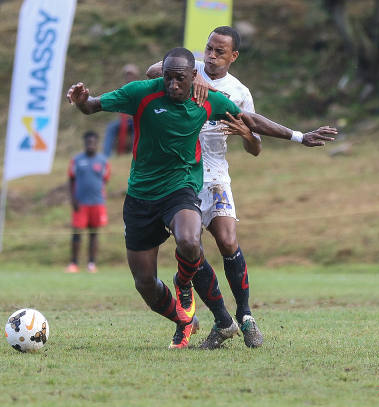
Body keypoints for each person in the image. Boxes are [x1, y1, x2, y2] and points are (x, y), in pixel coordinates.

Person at [66, 47, 336, 349]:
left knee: (191, 241)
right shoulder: (142, 93)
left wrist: (299, 136)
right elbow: (93, 105)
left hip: (181, 187)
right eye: (167, 78)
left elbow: (250, 119)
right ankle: (184, 320)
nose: (172, 85)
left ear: (194, 77)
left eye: (179, 79)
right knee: (144, 283)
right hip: (141, 195)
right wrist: (81, 100)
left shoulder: (207, 99)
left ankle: (187, 284)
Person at [147, 26, 264, 349]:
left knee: (228, 241)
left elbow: (256, 148)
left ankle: (245, 315)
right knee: (191, 248)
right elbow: (153, 70)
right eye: (209, 49)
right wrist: (195, 76)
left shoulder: (239, 92)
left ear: (233, 56)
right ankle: (222, 320)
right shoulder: (187, 73)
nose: (211, 56)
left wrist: (246, 134)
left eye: (219, 52)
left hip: (215, 177)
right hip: (182, 177)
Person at [66, 131, 110, 274]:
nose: (90, 144)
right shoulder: (76, 160)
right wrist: (73, 199)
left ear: (97, 143)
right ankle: (74, 263)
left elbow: (105, 180)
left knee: (94, 234)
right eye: (88, 142)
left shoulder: (103, 161)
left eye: (93, 142)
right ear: (84, 143)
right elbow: (71, 180)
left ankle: (91, 263)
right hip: (80, 203)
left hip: (97, 203)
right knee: (77, 234)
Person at [102, 64, 140, 157]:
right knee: (111, 127)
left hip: (136, 119)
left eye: (131, 75)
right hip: (123, 119)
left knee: (137, 128)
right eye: (127, 75)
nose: (129, 77)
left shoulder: (140, 88)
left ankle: (134, 154)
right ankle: (105, 156)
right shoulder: (122, 89)